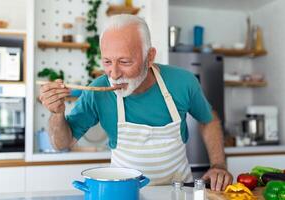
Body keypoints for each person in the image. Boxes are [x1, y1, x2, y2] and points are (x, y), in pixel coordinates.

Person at [39, 14, 233, 190]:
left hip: (178, 191)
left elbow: (209, 120)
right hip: (124, 193)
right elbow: (61, 143)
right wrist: (57, 114)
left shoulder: (182, 82)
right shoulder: (97, 91)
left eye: (125, 62)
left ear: (149, 57)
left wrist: (218, 165)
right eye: (107, 62)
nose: (114, 74)